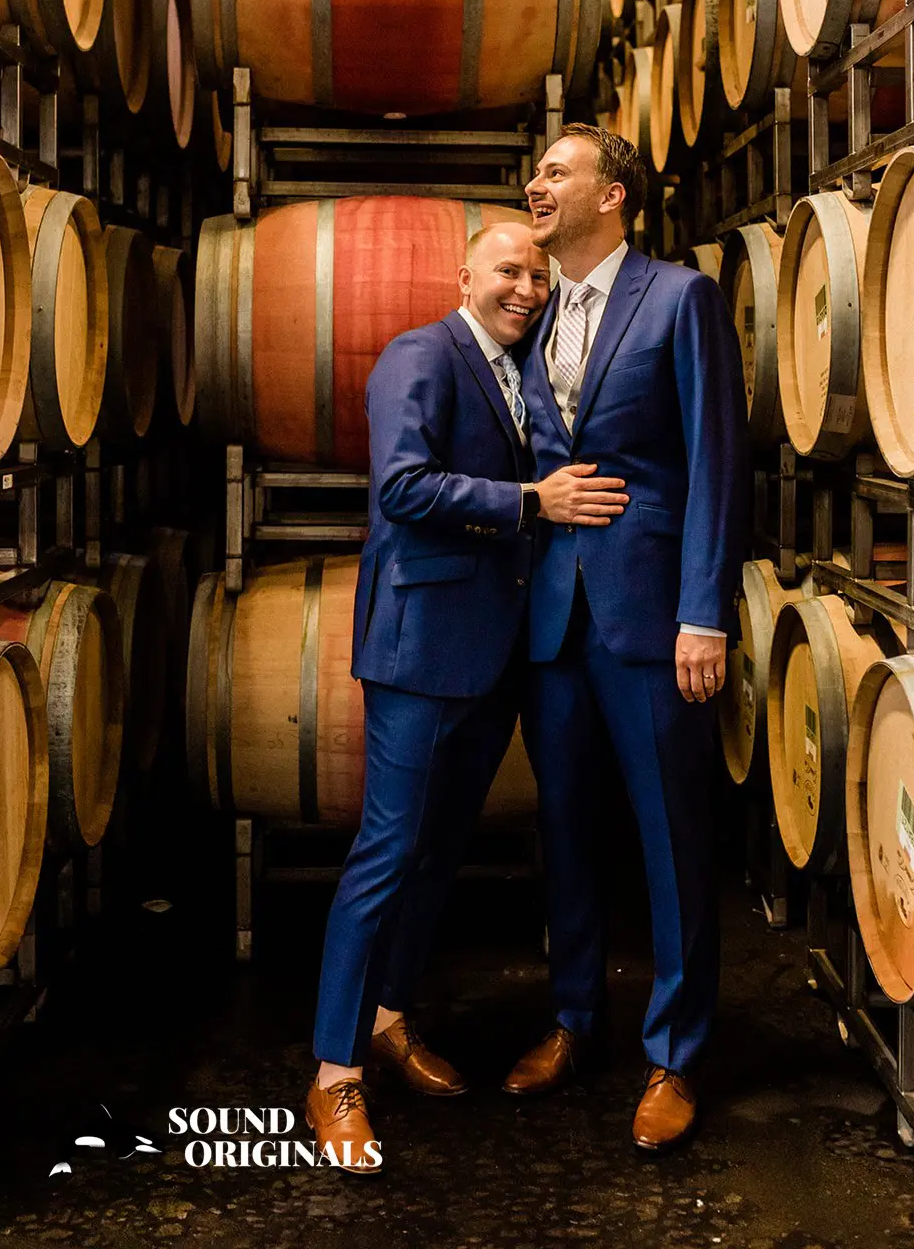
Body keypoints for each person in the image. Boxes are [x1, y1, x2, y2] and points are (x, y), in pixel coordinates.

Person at [307, 220, 630, 1171]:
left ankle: (387, 1018)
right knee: (385, 853)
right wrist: (532, 501)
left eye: (538, 276)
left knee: (439, 849)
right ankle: (333, 1074)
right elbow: (403, 489)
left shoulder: (520, 370)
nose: (525, 289)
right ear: (465, 277)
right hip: (420, 647)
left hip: (493, 655)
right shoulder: (421, 355)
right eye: (507, 272)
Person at [504, 126, 748, 1152]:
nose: (536, 184)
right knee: (565, 828)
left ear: (612, 197)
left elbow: (714, 459)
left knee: (670, 837)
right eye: (536, 172)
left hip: (649, 616)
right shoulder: (530, 313)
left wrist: (703, 612)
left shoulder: (679, 298)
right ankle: (573, 1020)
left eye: (556, 172)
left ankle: (675, 1054)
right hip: (551, 618)